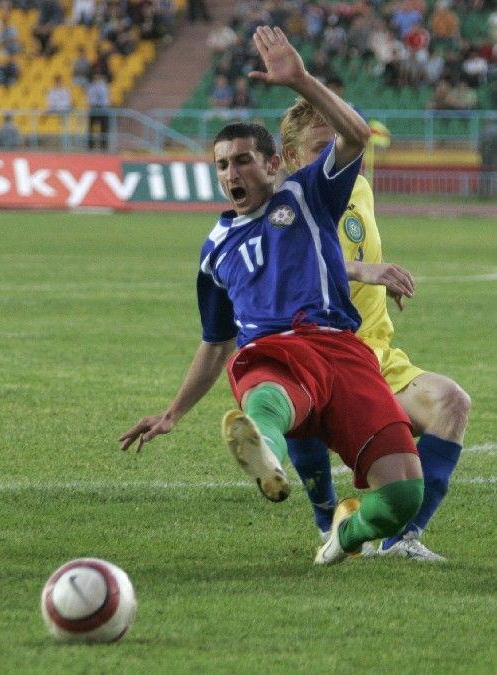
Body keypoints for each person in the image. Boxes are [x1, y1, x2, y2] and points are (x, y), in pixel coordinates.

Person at [119, 26, 425, 567]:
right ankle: (266, 453)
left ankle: (346, 533)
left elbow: (354, 138)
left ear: (273, 164)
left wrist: (302, 79)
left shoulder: (307, 194)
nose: (231, 173)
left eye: (242, 161)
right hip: (275, 354)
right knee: (267, 395)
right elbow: (215, 346)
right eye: (221, 164)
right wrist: (172, 413)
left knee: (404, 495)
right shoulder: (214, 251)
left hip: (343, 351)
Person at [280, 97, 471, 561]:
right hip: (321, 352)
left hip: (376, 354)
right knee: (300, 402)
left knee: (451, 402)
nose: (334, 160)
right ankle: (329, 520)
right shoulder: (284, 206)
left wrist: (380, 279)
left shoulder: (359, 187)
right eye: (319, 150)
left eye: (340, 147)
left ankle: (401, 538)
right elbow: (294, 266)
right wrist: (364, 272)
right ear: (290, 158)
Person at [87, 72, 110, 150]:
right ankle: (91, 145)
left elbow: (106, 99)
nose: (96, 80)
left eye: (98, 78)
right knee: (91, 128)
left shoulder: (104, 87)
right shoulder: (91, 87)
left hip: (102, 109)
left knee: (104, 128)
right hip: (94, 108)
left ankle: (103, 145)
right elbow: (90, 98)